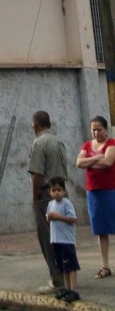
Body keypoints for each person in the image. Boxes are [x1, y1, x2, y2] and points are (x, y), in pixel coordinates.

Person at [28, 110, 67, 292]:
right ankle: (68, 275)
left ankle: (57, 279)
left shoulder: (39, 142)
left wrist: (35, 197)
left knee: (47, 238)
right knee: (63, 237)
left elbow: (37, 174)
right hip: (62, 192)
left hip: (45, 195)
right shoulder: (58, 142)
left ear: (35, 125)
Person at [76, 114, 115, 279]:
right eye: (93, 130)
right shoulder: (87, 144)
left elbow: (108, 163)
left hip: (110, 190)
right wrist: (98, 157)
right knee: (101, 230)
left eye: (99, 129)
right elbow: (78, 163)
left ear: (106, 129)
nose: (96, 133)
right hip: (94, 192)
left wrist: (90, 162)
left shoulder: (111, 143)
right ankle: (105, 266)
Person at [46, 177, 80, 303]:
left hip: (66, 241)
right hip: (56, 240)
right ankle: (67, 288)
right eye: (53, 190)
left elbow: (73, 219)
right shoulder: (50, 204)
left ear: (64, 191)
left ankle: (74, 290)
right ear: (50, 192)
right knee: (63, 267)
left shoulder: (67, 203)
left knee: (70, 266)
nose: (56, 192)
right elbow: (50, 217)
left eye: (59, 190)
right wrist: (48, 217)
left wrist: (58, 217)